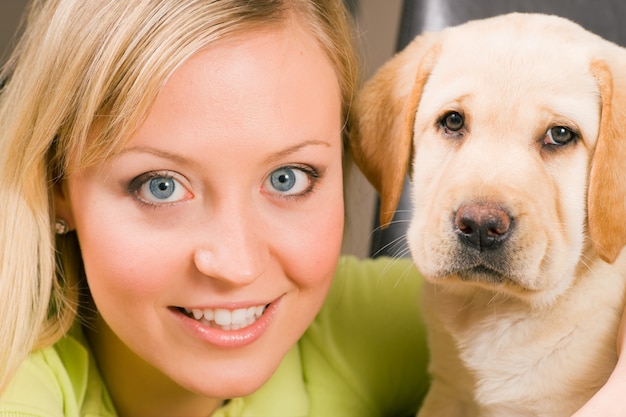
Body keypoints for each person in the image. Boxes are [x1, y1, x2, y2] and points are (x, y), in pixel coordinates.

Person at [0, 1, 430, 416]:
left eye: (288, 178)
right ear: (56, 182)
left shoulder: (378, 325)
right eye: (161, 187)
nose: (236, 266)